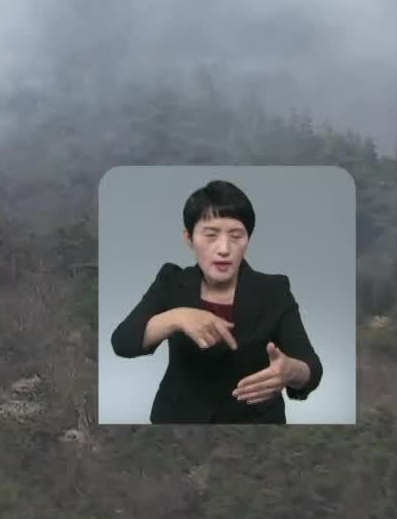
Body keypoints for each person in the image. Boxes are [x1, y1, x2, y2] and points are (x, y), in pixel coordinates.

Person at [109, 178, 324, 423]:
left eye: (236, 236)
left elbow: (312, 367)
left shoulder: (274, 290)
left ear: (248, 240)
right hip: (178, 423)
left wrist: (291, 372)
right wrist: (177, 317)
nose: (224, 248)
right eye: (210, 235)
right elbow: (122, 341)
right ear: (189, 238)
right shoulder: (171, 282)